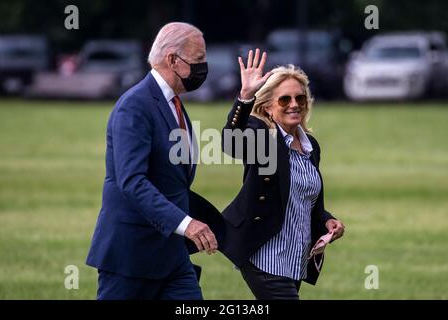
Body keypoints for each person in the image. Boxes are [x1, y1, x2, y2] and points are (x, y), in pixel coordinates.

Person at [86, 22, 221, 300]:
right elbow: (132, 182)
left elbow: (175, 180)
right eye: (198, 61)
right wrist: (186, 224)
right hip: (131, 256)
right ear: (173, 60)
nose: (203, 68)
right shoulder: (134, 106)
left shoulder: (173, 102)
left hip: (172, 258)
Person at [220, 49, 345, 299]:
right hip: (264, 256)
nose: (294, 104)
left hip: (294, 258)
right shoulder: (263, 139)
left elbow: (303, 196)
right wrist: (245, 96)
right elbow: (231, 143)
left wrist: (326, 220)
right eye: (284, 99)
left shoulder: (311, 146)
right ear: (267, 107)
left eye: (300, 98)